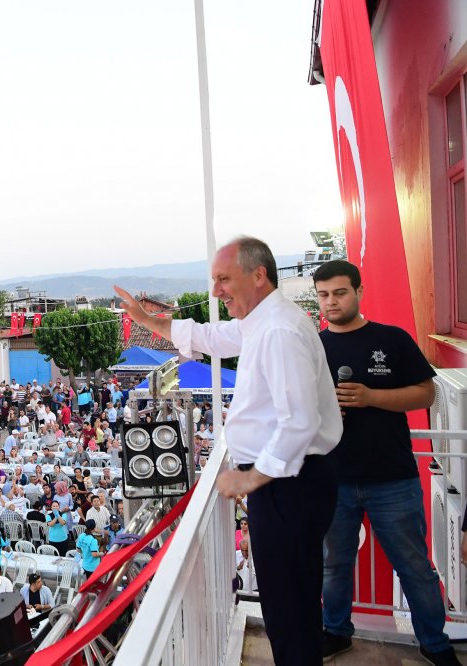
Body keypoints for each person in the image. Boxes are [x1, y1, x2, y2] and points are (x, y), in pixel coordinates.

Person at [115, 236, 343, 666]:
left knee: (288, 609)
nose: (216, 291)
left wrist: (252, 477)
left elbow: (300, 421)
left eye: (223, 279)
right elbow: (211, 336)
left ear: (258, 275)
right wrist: (146, 319)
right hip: (286, 485)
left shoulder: (278, 330)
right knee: (289, 604)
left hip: (288, 486)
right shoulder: (263, 321)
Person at [314, 260, 457, 665]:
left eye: (340, 292)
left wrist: (372, 397)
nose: (331, 302)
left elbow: (425, 394)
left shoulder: (391, 339)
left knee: (414, 566)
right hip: (332, 477)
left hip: (392, 477)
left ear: (359, 291)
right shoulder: (312, 346)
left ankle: (435, 643)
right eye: (323, 294)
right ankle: (337, 631)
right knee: (333, 566)